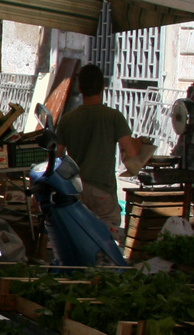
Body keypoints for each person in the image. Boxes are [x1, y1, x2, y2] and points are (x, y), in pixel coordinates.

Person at [55, 64, 141, 236]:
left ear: (80, 88)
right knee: (107, 240)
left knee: (80, 235)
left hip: (77, 188)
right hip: (103, 189)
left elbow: (57, 156)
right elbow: (131, 152)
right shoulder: (113, 117)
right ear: (103, 87)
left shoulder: (68, 119)